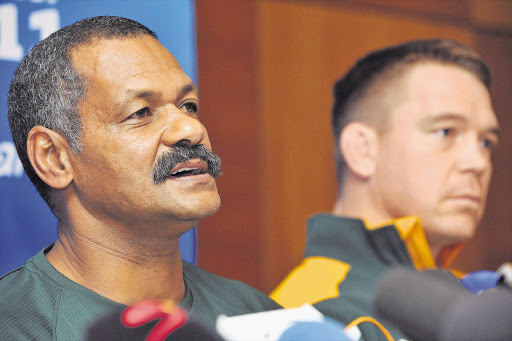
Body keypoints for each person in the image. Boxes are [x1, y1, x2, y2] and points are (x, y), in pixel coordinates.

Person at [0, 16, 280, 340]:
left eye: (188, 106)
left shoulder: (260, 319)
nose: (192, 129)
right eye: (141, 113)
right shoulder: (13, 325)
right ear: (55, 158)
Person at [271, 39, 500, 340]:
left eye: (486, 142)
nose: (478, 162)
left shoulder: (483, 302)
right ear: (362, 150)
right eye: (446, 131)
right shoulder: (311, 310)